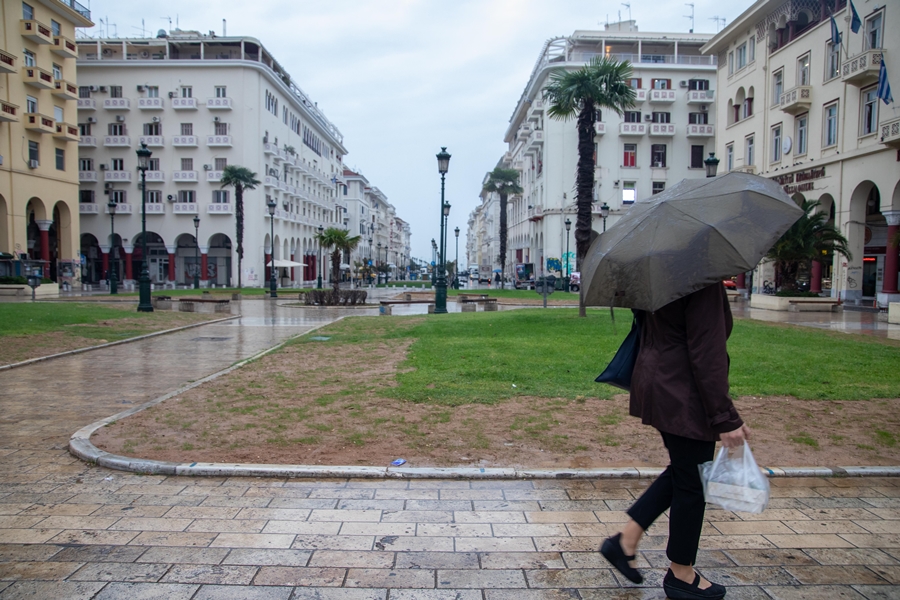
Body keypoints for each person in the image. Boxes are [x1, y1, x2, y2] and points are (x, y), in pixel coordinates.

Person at [600, 282, 750, 600]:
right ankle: (681, 573)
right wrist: (725, 418)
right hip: (682, 392)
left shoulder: (660, 275)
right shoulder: (701, 281)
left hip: (657, 381)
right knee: (692, 484)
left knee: (687, 471)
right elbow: (706, 353)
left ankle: (625, 541)